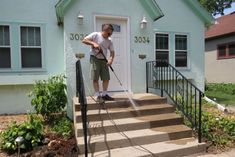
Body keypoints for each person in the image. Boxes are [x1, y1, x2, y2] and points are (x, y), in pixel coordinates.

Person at [82, 24, 115, 102]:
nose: (110, 35)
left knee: (106, 78)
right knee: (95, 77)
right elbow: (84, 40)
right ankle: (97, 95)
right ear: (105, 30)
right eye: (109, 33)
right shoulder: (95, 35)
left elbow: (112, 52)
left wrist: (111, 59)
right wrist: (93, 43)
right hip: (95, 58)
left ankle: (104, 94)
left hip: (104, 59)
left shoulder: (109, 40)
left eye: (111, 33)